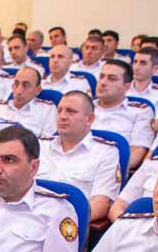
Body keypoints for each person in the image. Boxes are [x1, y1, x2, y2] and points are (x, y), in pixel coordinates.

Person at [37, 91, 122, 221]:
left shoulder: (105, 152)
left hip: (68, 226)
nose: (62, 116)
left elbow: (100, 204)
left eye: (71, 111)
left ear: (89, 119)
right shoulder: (40, 145)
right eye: (59, 111)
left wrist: (61, 224)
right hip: (27, 217)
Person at [93, 60, 155, 169]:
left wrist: (106, 171)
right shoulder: (83, 107)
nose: (103, 82)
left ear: (126, 87)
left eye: (112, 78)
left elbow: (137, 152)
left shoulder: (141, 112)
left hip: (109, 171)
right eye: (101, 77)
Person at [0, 67, 56, 136]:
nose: (19, 91)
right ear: (12, 86)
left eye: (26, 85)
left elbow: (48, 139)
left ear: (38, 90)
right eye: (16, 84)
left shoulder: (47, 110)